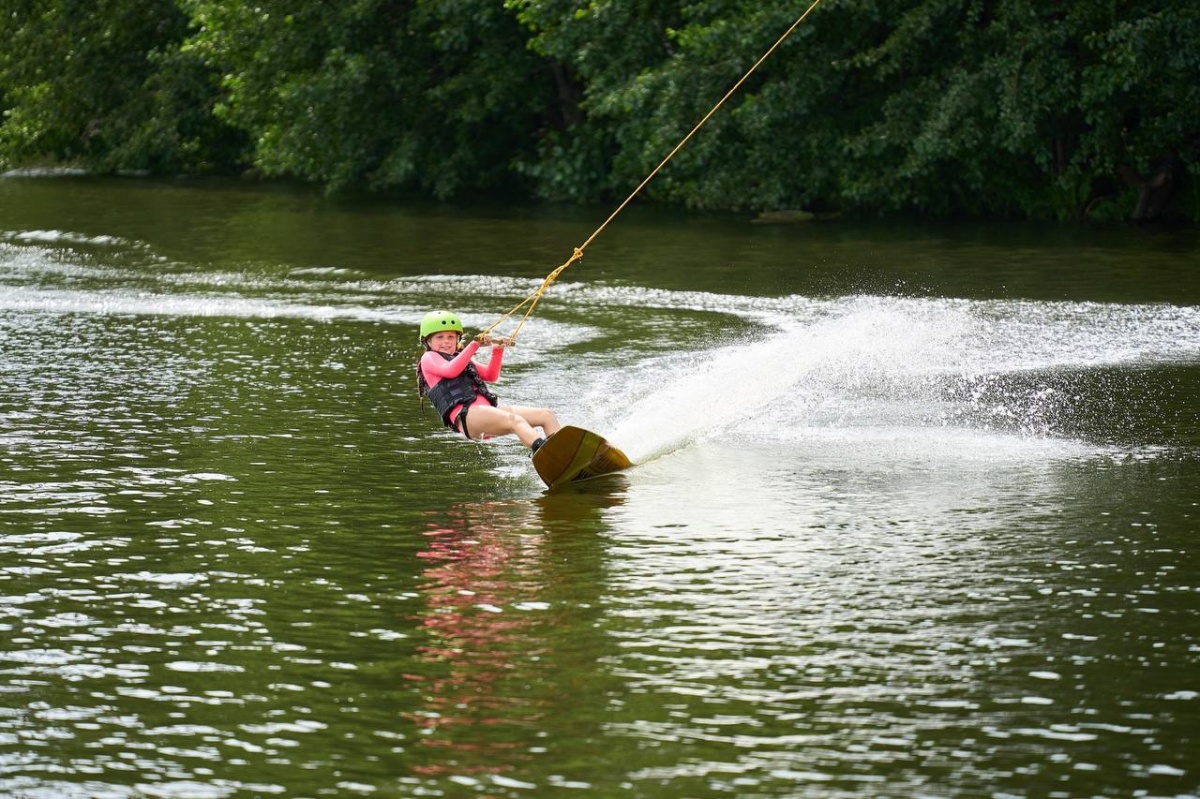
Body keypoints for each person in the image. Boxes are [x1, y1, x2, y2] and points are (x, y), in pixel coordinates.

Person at [416, 310, 561, 454]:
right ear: (428, 341)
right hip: (467, 416)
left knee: (546, 415)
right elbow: (450, 370)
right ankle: (546, 453)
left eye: (451, 337)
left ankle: (564, 453)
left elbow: (491, 375)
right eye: (439, 337)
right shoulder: (429, 358)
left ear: (457, 339)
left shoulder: (460, 358)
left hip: (486, 413)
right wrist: (474, 345)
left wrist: (497, 350)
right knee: (515, 420)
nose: (446, 341)